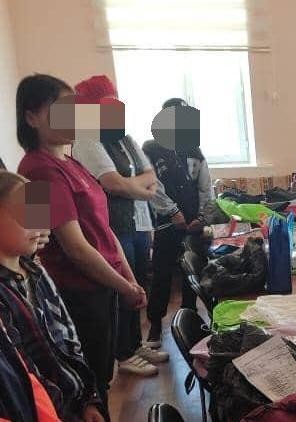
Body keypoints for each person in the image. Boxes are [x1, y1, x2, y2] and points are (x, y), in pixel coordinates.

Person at [16, 74, 147, 417]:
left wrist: (128, 278)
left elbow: (103, 227)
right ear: (31, 117)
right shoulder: (37, 169)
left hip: (102, 285)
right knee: (89, 386)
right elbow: (71, 248)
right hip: (79, 293)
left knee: (101, 377)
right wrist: (124, 285)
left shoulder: (70, 161)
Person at [72, 75, 168, 377]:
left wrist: (132, 187)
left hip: (138, 222)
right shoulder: (87, 141)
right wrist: (140, 189)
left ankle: (135, 343)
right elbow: (111, 183)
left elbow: (150, 175)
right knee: (122, 287)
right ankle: (123, 352)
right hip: (113, 225)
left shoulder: (124, 139)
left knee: (137, 282)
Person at [0, 171, 104, 421]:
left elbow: (68, 337)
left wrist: (88, 397)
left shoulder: (37, 272)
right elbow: (25, 372)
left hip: (77, 398)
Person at [142, 97, 213, 348]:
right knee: (161, 274)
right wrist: (173, 212)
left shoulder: (194, 150)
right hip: (166, 223)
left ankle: (190, 320)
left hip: (193, 224)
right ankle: (155, 325)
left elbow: (206, 188)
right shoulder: (150, 149)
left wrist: (202, 217)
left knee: (191, 274)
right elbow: (152, 186)